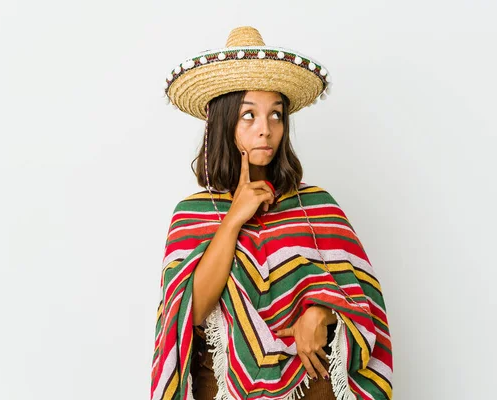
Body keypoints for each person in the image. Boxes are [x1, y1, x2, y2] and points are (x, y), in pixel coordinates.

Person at [151, 26, 393, 400]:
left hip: (313, 387)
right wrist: (234, 218)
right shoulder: (194, 213)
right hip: (220, 389)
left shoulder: (316, 207)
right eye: (249, 115)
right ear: (223, 123)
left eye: (276, 115)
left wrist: (323, 314)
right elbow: (192, 311)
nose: (265, 130)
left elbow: (364, 302)